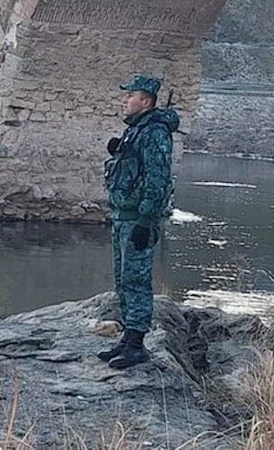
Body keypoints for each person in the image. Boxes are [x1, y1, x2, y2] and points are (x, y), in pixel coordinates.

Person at [98, 74, 179, 369]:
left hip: (138, 219)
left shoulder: (155, 132)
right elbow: (134, 168)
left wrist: (147, 219)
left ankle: (137, 344)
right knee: (123, 279)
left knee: (136, 279)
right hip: (123, 215)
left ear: (145, 101)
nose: (124, 100)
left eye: (129, 96)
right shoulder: (136, 131)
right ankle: (128, 337)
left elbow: (158, 178)